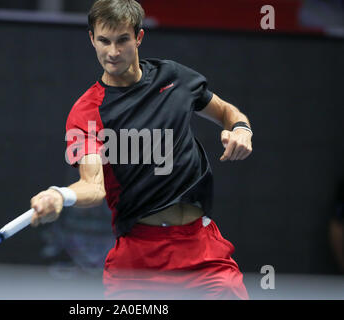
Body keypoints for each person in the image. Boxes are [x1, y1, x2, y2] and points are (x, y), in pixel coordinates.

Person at [30, 0, 252, 300]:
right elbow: (93, 186)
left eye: (122, 40)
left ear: (138, 38)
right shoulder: (86, 112)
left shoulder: (174, 78)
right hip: (138, 261)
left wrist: (241, 129)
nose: (112, 52)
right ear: (92, 39)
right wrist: (60, 195)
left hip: (202, 250)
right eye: (104, 41)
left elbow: (226, 111)